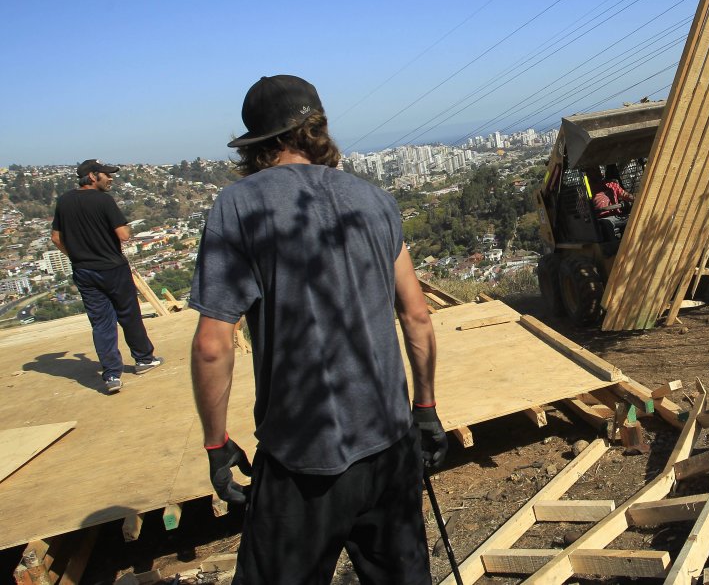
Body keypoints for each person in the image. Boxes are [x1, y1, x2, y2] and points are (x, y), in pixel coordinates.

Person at [189, 74, 446, 585]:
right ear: (316, 130)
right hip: (390, 448)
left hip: (303, 463)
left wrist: (216, 445)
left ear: (259, 144)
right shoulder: (375, 201)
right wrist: (426, 411)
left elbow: (213, 346)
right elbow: (416, 315)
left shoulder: (240, 206)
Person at [50, 159, 164, 394]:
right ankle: (143, 359)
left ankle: (111, 375)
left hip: (83, 270)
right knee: (129, 314)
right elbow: (123, 234)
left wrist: (76, 257)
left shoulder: (64, 201)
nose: (111, 178)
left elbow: (56, 238)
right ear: (92, 176)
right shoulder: (103, 200)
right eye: (106, 174)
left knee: (101, 323)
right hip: (112, 268)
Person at [589, 164, 634, 239]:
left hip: (617, 216)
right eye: (593, 170)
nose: (597, 173)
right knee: (607, 224)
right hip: (602, 219)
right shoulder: (588, 191)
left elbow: (625, 195)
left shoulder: (612, 185)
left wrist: (635, 198)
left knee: (632, 218)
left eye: (598, 170)